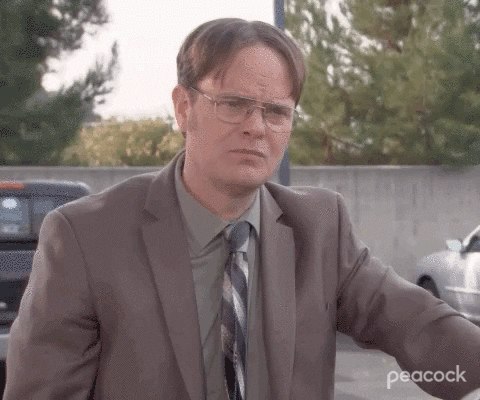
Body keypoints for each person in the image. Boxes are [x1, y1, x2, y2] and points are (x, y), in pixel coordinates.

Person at [4, 18, 480, 400]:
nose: (257, 127)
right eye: (233, 104)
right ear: (183, 108)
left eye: (276, 111)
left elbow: (419, 326)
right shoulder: (87, 237)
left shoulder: (319, 227)